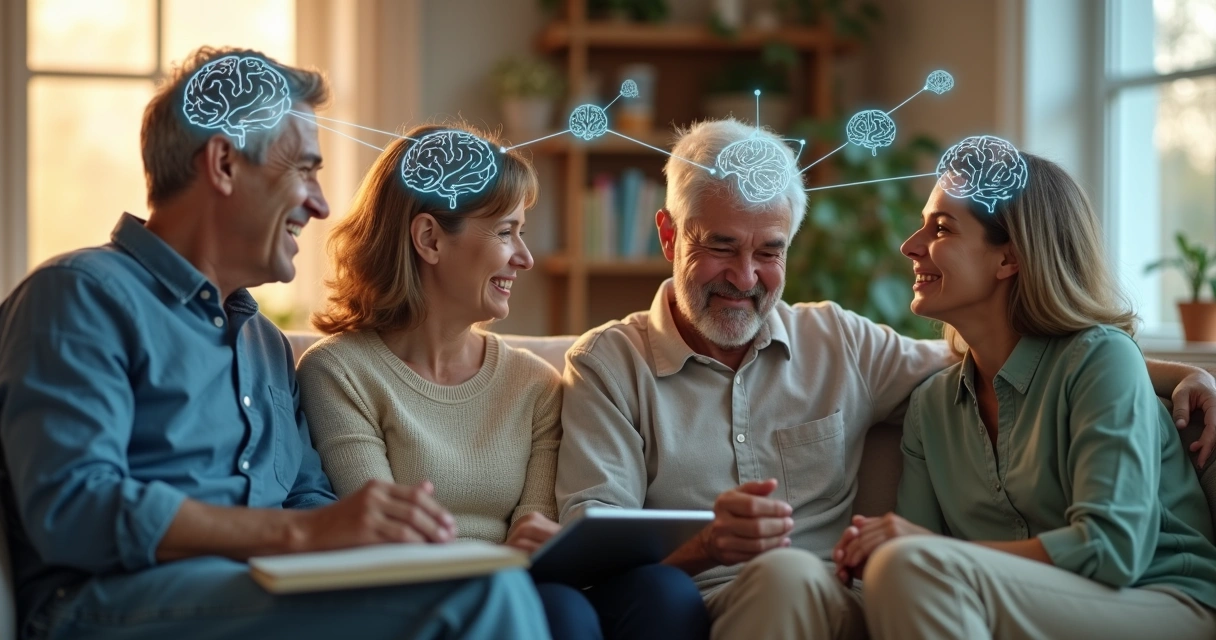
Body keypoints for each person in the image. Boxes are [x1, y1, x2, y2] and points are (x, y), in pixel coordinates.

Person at [554, 119, 1216, 640]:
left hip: (838, 597)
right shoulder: (610, 365)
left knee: (810, 574)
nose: (746, 276)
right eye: (721, 245)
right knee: (874, 569)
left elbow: (1049, 358)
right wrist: (704, 545)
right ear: (668, 236)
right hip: (690, 601)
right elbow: (593, 556)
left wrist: (1175, 371)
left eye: (770, 251)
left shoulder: (842, 340)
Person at [0, 47, 548, 640]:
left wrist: (370, 540)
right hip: (105, 603)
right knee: (479, 592)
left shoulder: (261, 341)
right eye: (305, 170)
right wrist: (305, 536)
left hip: (258, 592)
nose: (320, 204)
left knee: (471, 574)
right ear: (225, 163)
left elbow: (307, 495)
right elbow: (73, 506)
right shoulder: (81, 296)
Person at [295, 123, 709, 640]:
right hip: (416, 600)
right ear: (429, 239)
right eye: (506, 231)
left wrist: (540, 541)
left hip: (525, 584)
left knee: (661, 593)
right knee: (562, 614)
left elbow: (535, 532)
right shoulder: (338, 372)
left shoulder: (534, 383)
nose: (525, 257)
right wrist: (504, 561)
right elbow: (390, 534)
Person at [832, 148, 1216, 639]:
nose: (910, 245)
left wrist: (926, 554)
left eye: (942, 228)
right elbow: (912, 556)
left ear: (1009, 257)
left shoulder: (1101, 360)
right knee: (899, 568)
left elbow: (1114, 551)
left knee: (911, 564)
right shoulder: (930, 407)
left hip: (1160, 600)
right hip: (1022, 607)